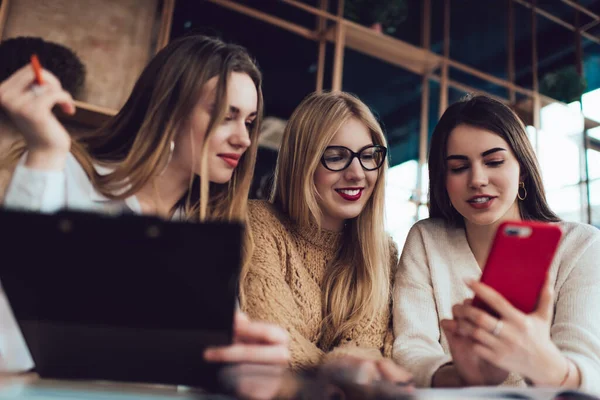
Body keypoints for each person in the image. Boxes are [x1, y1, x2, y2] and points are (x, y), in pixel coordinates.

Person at [0, 34, 289, 372]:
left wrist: (244, 367)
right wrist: (46, 152)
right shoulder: (60, 173)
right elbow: (7, 346)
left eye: (250, 122)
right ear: (169, 110)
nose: (244, 138)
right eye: (226, 115)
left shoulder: (204, 235)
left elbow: (199, 368)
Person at [392, 95, 600, 392]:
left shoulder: (581, 246)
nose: (477, 179)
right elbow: (410, 351)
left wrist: (547, 365)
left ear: (522, 170)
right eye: (458, 167)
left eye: (494, 162)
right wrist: (462, 376)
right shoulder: (427, 240)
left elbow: (590, 369)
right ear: (442, 178)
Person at [241, 91, 412, 385]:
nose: (357, 173)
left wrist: (356, 369)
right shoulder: (258, 224)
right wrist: (348, 372)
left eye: (369, 156)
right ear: (301, 162)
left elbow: (368, 349)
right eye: (336, 157)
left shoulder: (382, 251)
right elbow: (276, 345)